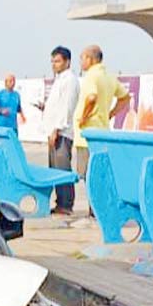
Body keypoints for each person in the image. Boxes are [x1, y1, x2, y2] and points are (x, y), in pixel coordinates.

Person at [74, 45, 131, 214]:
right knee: (100, 173)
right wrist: (111, 113)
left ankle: (95, 208)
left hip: (87, 134)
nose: (81, 62)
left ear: (90, 59)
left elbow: (91, 97)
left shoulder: (91, 76)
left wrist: (84, 117)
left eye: (82, 58)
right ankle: (100, 207)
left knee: (88, 174)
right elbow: (125, 97)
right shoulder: (109, 76)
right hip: (103, 131)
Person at [38, 46, 79, 215]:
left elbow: (66, 107)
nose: (54, 64)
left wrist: (57, 129)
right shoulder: (59, 79)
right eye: (52, 61)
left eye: (57, 61)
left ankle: (66, 204)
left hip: (61, 132)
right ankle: (60, 203)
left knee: (62, 169)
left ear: (67, 62)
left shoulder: (69, 80)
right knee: (54, 169)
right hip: (53, 131)